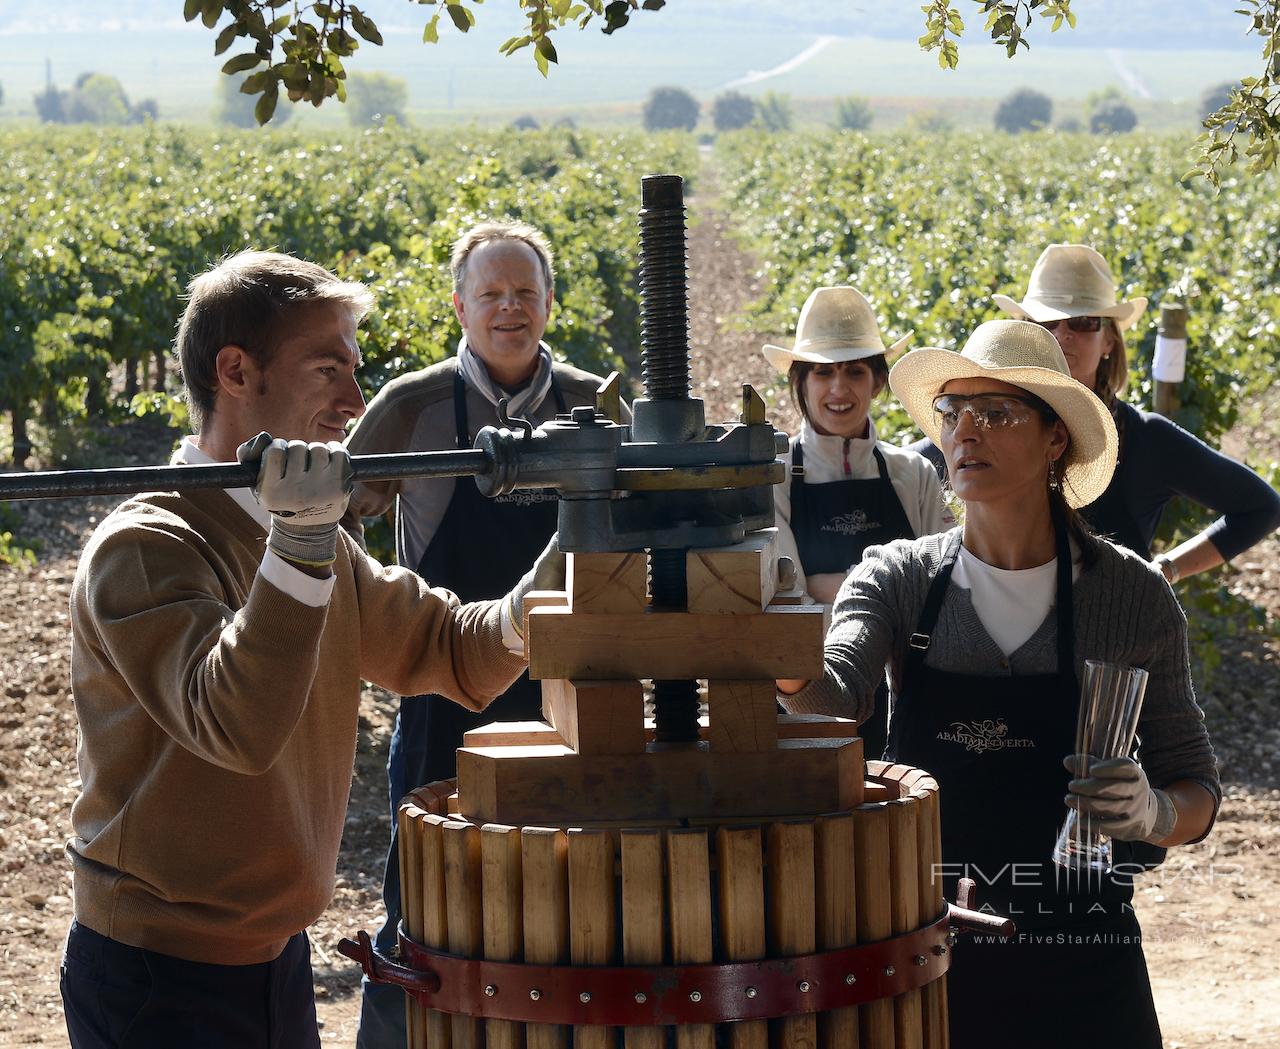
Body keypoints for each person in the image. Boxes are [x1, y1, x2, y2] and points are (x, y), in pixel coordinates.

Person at [60, 251, 553, 1049]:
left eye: (355, 372)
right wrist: (301, 541)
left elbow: (448, 649)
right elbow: (237, 725)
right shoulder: (148, 547)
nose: (354, 402)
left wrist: (558, 575)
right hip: (157, 974)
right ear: (235, 370)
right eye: (328, 369)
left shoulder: (314, 541)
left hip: (274, 962)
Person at [779, 319, 1220, 1049]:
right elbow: (834, 698)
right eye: (954, 412)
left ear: (1057, 438)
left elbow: (1196, 791)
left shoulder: (1130, 594)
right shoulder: (897, 578)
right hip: (927, 952)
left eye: (997, 412)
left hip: (1084, 961)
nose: (965, 432)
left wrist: (1148, 812)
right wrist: (776, 654)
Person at [341, 220, 620, 1049]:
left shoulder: (590, 403)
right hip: (440, 685)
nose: (509, 308)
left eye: (524, 293)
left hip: (567, 687)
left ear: (549, 301)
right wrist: (364, 623)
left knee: (570, 895)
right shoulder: (411, 407)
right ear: (459, 306)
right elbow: (335, 518)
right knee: (421, 900)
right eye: (491, 294)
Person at [913, 243, 1280, 582]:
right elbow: (904, 470)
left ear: (1109, 340)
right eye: (1047, 323)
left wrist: (1163, 572)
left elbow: (1261, 508)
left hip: (1116, 643)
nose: (1063, 333)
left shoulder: (1146, 439)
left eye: (1083, 321)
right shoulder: (973, 428)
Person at [763, 285, 953, 759]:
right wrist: (890, 596)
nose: (838, 388)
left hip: (912, 696)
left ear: (878, 381)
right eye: (822, 373)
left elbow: (948, 590)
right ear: (801, 383)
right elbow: (785, 600)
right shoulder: (774, 474)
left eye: (854, 371)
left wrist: (829, 585)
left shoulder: (913, 474)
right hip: (809, 701)